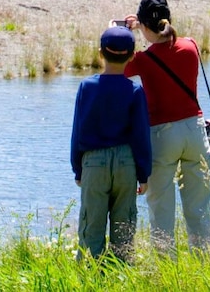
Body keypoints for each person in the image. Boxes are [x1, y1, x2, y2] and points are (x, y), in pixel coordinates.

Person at [122, 0, 210, 252]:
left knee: (161, 208)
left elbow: (119, 64)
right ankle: (204, 264)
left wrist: (126, 30)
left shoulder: (144, 60)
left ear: (145, 25)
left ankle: (165, 270)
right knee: (199, 207)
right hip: (195, 130)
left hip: (162, 135)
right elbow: (168, 41)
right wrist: (144, 25)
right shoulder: (191, 46)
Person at [70, 26, 152, 262]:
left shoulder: (87, 87)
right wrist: (143, 173)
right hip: (126, 162)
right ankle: (120, 275)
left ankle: (89, 276)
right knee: (124, 227)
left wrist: (78, 168)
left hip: (93, 162)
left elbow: (78, 131)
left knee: (91, 226)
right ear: (132, 56)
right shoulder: (135, 90)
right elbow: (141, 136)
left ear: (100, 53)